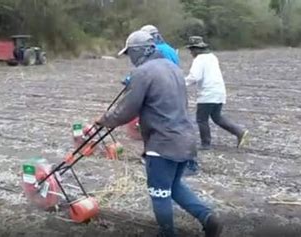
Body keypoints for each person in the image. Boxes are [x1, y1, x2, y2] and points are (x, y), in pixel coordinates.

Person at [95, 31, 223, 237]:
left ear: (139, 51)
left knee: (159, 193)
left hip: (163, 143)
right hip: (185, 139)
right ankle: (208, 218)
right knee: (173, 186)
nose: (130, 58)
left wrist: (104, 119)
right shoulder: (173, 68)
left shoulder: (143, 72)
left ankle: (167, 233)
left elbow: (127, 110)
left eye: (130, 53)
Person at [184, 36, 249, 150]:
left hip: (208, 93)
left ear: (196, 49)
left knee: (201, 119)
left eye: (191, 50)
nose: (190, 52)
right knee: (217, 117)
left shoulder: (199, 59)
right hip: (219, 91)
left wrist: (181, 83)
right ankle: (239, 132)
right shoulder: (212, 57)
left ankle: (206, 144)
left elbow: (195, 77)